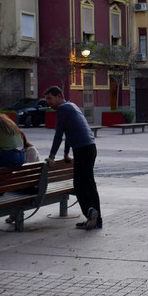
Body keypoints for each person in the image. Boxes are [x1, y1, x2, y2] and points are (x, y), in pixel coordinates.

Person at [44, 85, 101, 230]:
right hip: (90, 147)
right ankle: (97, 219)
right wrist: (65, 153)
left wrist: (51, 157)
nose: (48, 102)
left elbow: (59, 134)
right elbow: (70, 132)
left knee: (80, 185)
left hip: (82, 149)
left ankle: (90, 212)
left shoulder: (63, 109)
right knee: (89, 183)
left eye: (50, 99)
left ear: (58, 96)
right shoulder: (72, 106)